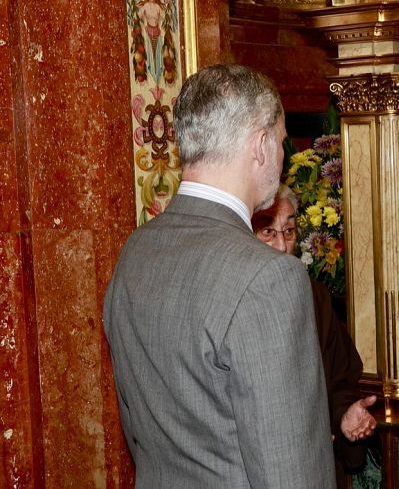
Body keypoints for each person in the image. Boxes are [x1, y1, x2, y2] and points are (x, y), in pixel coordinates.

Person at [104, 64, 335, 487]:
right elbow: (292, 472)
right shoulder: (269, 278)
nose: (281, 158)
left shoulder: (135, 252)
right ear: (262, 145)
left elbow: (141, 434)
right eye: (282, 142)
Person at [251, 185, 377, 480]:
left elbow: (338, 378)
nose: (282, 246)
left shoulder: (314, 296)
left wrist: (344, 415)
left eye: (290, 231)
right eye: (268, 232)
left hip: (311, 466)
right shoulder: (236, 302)